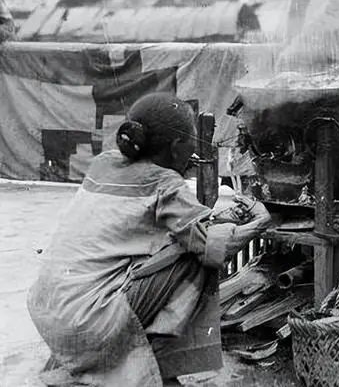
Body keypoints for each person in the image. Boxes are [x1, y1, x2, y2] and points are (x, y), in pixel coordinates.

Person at [27, 93, 271, 386]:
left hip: (47, 310)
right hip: (89, 323)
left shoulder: (103, 163)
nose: (195, 148)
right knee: (199, 258)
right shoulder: (165, 183)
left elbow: (151, 226)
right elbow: (213, 246)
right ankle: (156, 367)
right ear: (177, 146)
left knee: (183, 244)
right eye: (192, 139)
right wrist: (260, 223)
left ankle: (108, 360)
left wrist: (216, 220)